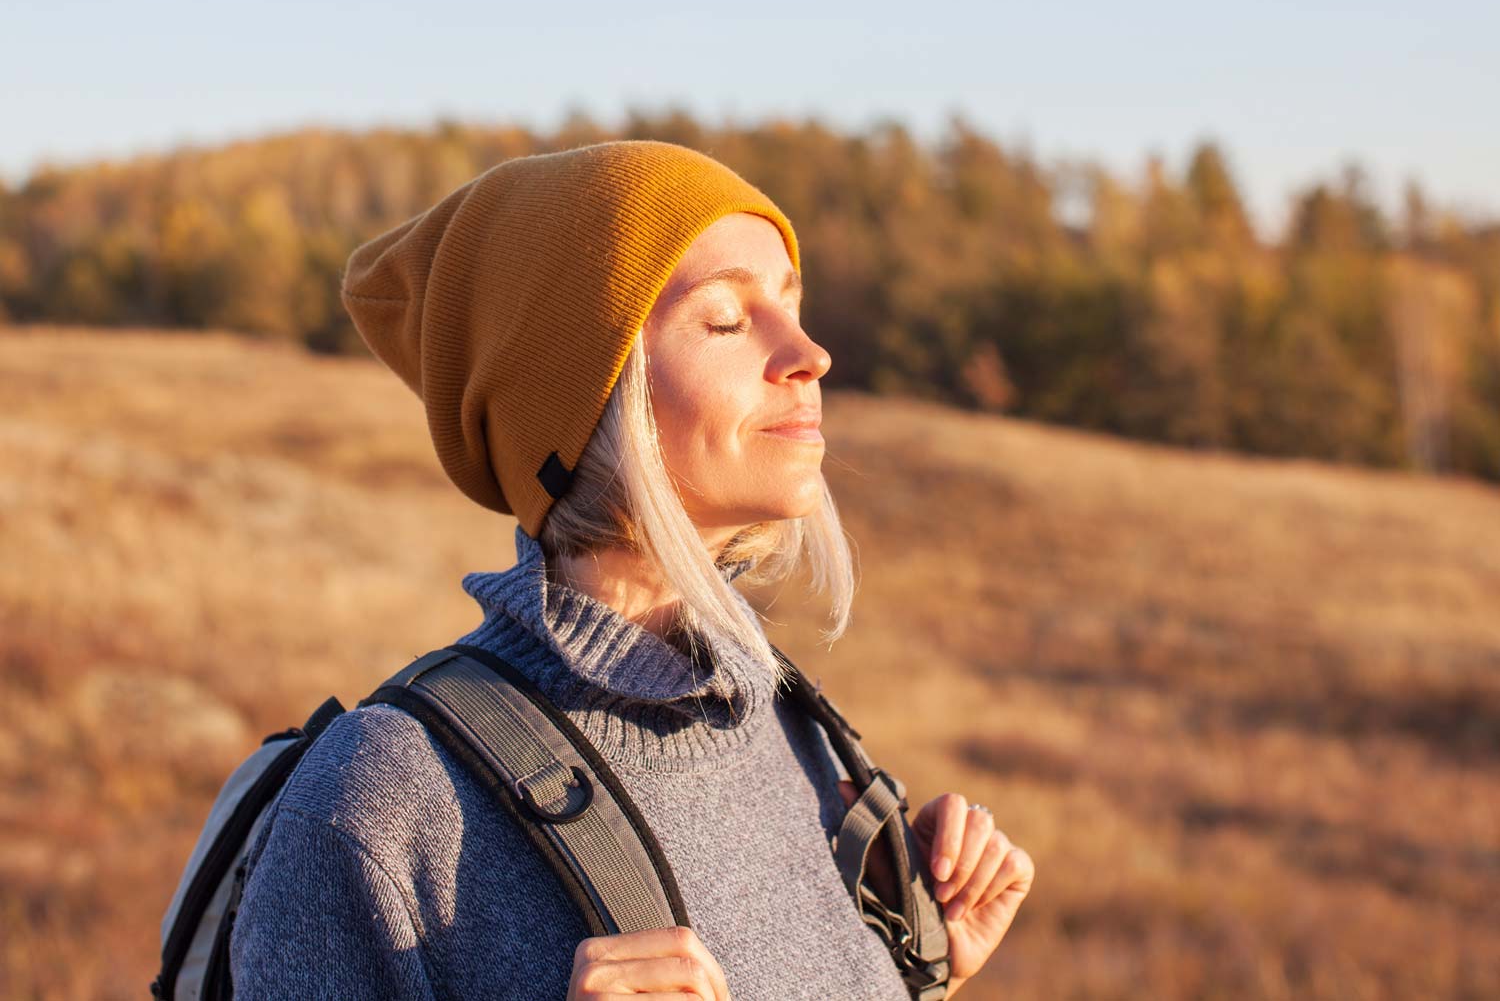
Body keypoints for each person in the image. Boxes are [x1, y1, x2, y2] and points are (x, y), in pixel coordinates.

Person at [228, 140, 1033, 999]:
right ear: (584, 398)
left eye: (793, 306)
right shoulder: (382, 797)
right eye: (726, 320)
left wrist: (922, 966)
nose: (810, 353)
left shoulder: (791, 728)